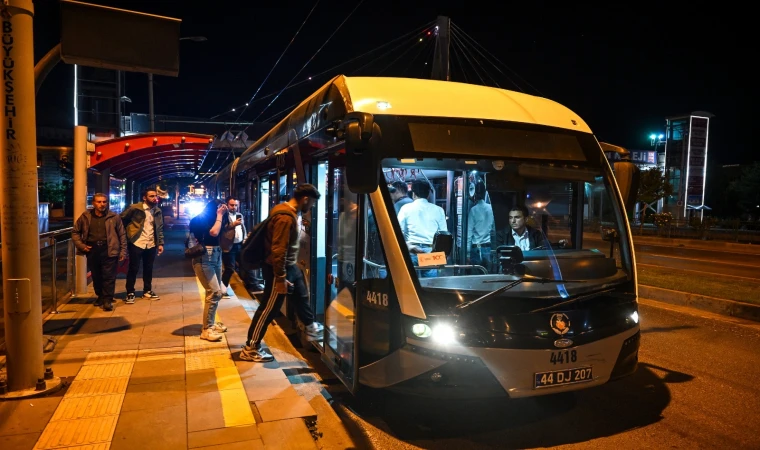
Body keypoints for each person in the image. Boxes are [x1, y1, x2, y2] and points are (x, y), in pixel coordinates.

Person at [241, 184, 322, 362]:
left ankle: (310, 326)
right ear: (305, 199)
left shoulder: (286, 210)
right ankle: (250, 347)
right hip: (278, 269)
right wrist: (280, 278)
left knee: (301, 296)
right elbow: (278, 249)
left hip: (290, 266)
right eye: (313, 203)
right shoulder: (285, 218)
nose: (312, 207)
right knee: (268, 309)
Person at [72, 193, 127, 311]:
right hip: (92, 249)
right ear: (93, 203)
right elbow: (75, 232)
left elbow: (122, 234)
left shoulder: (114, 217)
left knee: (109, 276)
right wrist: (82, 246)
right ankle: (100, 296)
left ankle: (107, 300)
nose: (102, 204)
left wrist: (123, 251)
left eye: (104, 202)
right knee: (96, 276)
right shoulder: (86, 216)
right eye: (99, 202)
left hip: (109, 249)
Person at [189, 199, 229, 342]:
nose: (222, 210)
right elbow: (213, 232)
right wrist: (219, 215)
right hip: (205, 257)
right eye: (220, 208)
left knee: (214, 293)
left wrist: (224, 215)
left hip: (216, 255)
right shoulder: (201, 220)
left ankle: (210, 323)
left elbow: (225, 230)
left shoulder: (217, 218)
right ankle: (207, 330)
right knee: (214, 292)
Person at [121, 187, 164, 303]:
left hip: (151, 243)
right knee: (133, 268)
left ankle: (147, 291)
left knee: (148, 268)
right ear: (144, 198)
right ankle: (130, 292)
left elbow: (159, 228)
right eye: (151, 196)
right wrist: (128, 234)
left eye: (155, 196)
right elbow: (122, 219)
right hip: (137, 242)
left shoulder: (157, 211)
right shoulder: (135, 208)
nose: (155, 198)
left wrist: (160, 243)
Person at [397, 180, 448, 277]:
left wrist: (407, 246)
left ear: (413, 193)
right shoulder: (439, 210)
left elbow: (398, 231)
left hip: (411, 249)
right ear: (428, 194)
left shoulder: (405, 208)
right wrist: (442, 257)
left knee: (410, 283)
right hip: (431, 251)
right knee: (431, 285)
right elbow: (443, 235)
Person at [220, 196, 247, 298]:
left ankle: (252, 284)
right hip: (228, 246)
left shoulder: (239, 215)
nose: (234, 207)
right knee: (230, 268)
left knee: (245, 264)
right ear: (227, 205)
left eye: (236, 205)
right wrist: (233, 224)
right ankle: (222, 290)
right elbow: (223, 228)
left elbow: (242, 228)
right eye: (232, 205)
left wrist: (245, 238)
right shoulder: (223, 215)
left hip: (239, 245)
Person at [467, 180, 495, 272]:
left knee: (476, 276)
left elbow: (469, 233)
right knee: (488, 275)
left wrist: (467, 253)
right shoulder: (491, 209)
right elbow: (494, 229)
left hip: (476, 248)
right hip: (488, 247)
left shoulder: (473, 210)